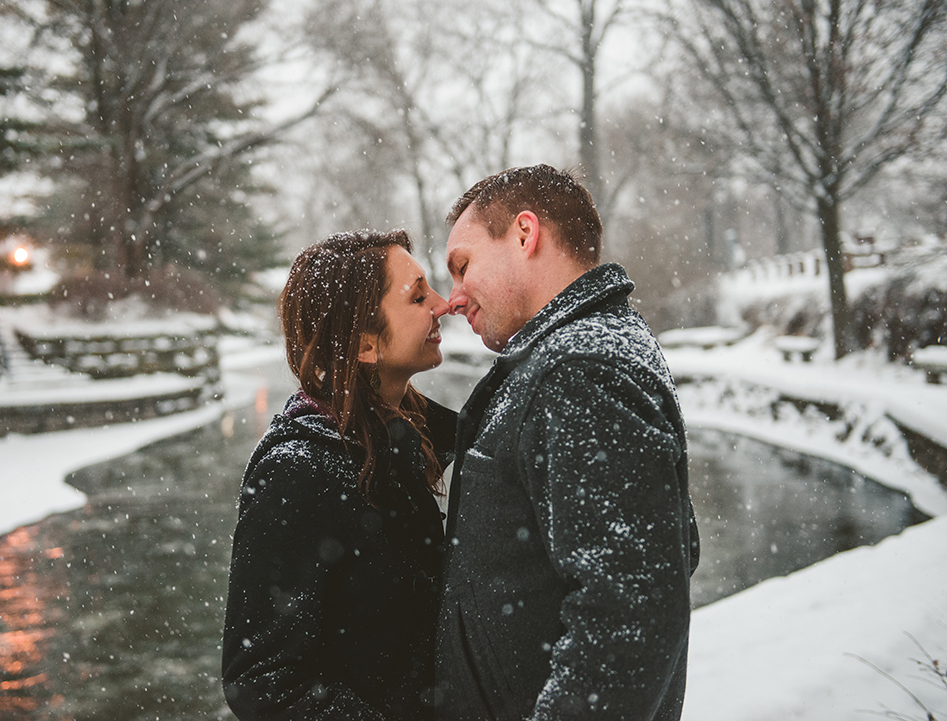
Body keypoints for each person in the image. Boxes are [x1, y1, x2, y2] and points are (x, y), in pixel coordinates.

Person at [435, 165, 700, 721]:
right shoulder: (584, 350)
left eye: (463, 267)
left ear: (525, 234)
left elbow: (632, 609)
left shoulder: (579, 370)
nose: (453, 299)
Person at [221, 230, 457, 721]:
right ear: (366, 345)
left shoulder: (404, 438)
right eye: (417, 295)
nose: (442, 304)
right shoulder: (298, 472)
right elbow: (261, 682)